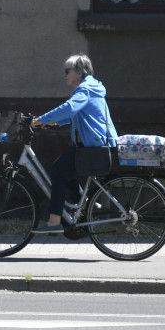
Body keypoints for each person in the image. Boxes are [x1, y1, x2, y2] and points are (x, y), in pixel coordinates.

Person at [30, 54, 118, 234]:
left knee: (58, 171)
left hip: (92, 145)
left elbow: (69, 108)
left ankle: (54, 222)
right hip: (96, 143)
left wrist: (40, 120)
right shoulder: (92, 87)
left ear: (79, 72)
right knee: (60, 169)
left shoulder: (84, 90)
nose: (65, 76)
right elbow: (78, 116)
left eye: (67, 71)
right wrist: (52, 122)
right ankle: (86, 203)